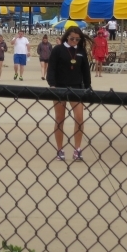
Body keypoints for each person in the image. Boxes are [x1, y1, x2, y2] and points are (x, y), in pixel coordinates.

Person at [47, 25, 92, 162]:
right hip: (59, 87)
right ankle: (60, 149)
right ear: (67, 37)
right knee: (60, 118)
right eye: (72, 38)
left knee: (79, 118)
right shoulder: (58, 50)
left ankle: (77, 149)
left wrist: (88, 87)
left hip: (77, 87)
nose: (74, 41)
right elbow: (51, 69)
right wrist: (52, 85)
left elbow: (85, 71)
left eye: (77, 39)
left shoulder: (81, 51)